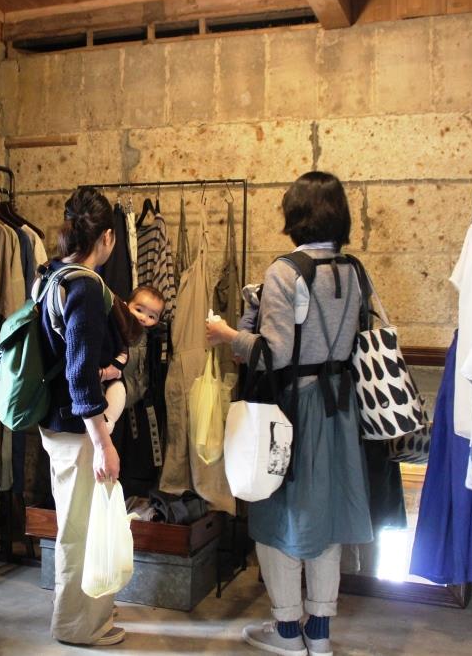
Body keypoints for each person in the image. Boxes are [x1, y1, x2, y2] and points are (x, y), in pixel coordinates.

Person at [206, 172, 374, 656]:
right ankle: (319, 632)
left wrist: (227, 334)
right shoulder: (355, 270)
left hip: (294, 411)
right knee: (326, 516)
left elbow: (275, 354)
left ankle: (285, 631)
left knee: (277, 512)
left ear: (296, 215)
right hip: (340, 406)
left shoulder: (287, 271)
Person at [37, 187, 126, 647]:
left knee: (78, 524)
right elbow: (79, 373)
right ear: (107, 237)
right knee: (81, 530)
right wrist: (103, 442)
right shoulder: (86, 286)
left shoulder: (51, 274)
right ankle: (77, 625)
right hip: (79, 430)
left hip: (58, 424)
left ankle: (90, 614)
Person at [100, 285, 166, 433]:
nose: (143, 318)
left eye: (152, 317)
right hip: (110, 387)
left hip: (135, 396)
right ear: (126, 305)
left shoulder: (152, 338)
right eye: (139, 310)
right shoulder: (119, 327)